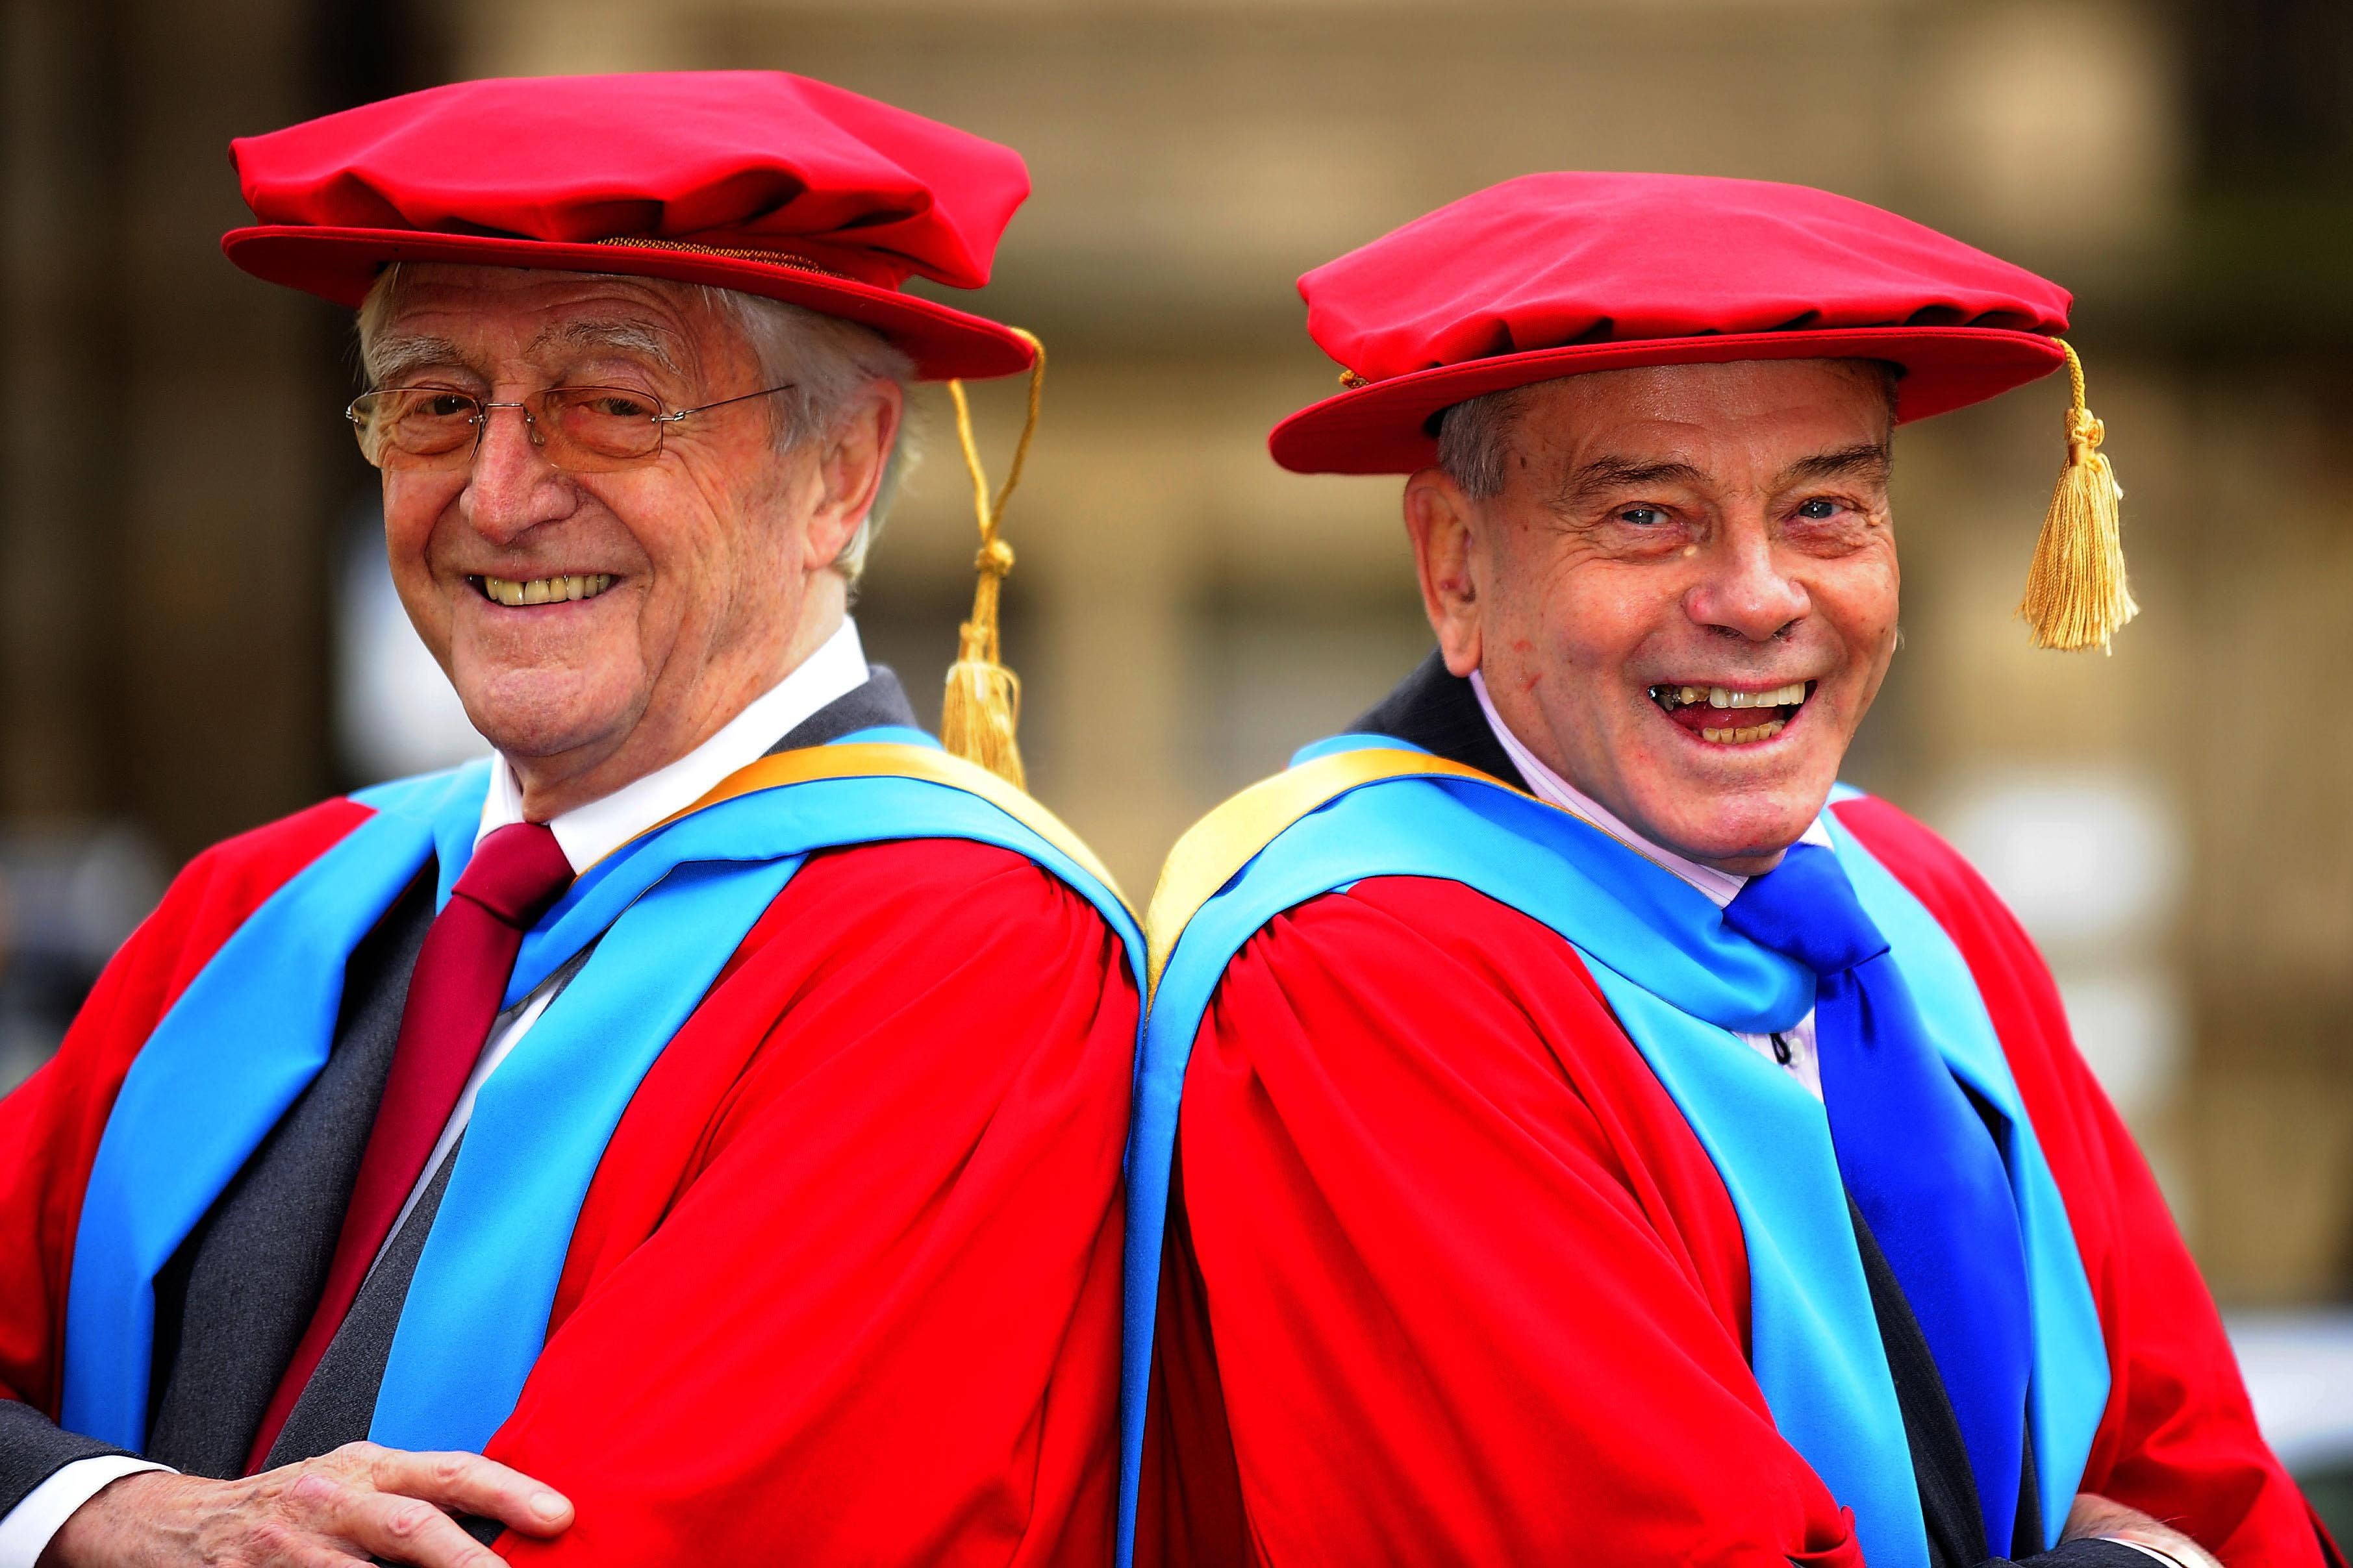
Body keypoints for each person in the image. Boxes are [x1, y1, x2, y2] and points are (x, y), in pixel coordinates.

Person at [0, 71, 1141, 1568]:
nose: (500, 492)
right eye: (435, 403)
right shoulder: (262, 903)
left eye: (611, 405)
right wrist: (102, 1509)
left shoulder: (962, 959)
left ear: (840, 471)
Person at [1126, 173, 2339, 1567]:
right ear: (1456, 567)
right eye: (1650, 516)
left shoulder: (1914, 904)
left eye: (1826, 507)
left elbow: (2196, 1464)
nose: (1759, 596)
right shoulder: (1362, 977)